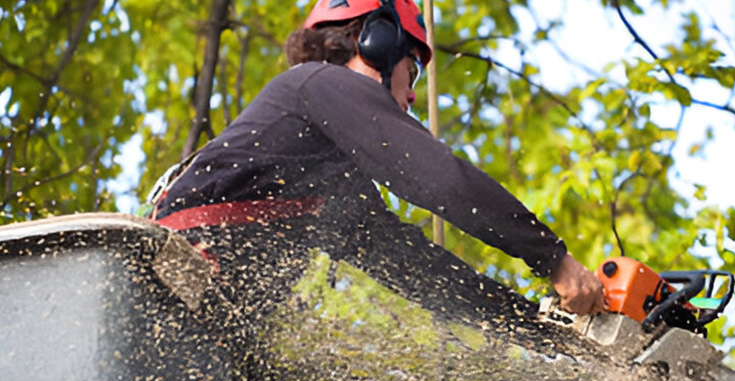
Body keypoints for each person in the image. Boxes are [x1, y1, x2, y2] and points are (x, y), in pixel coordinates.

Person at [151, 0, 604, 319]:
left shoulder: (327, 179)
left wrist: (540, 328)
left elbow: (416, 269)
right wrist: (554, 260)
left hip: (193, 315)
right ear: (374, 42)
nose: (410, 93)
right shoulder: (316, 83)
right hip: (172, 282)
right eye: (414, 68)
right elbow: (441, 180)